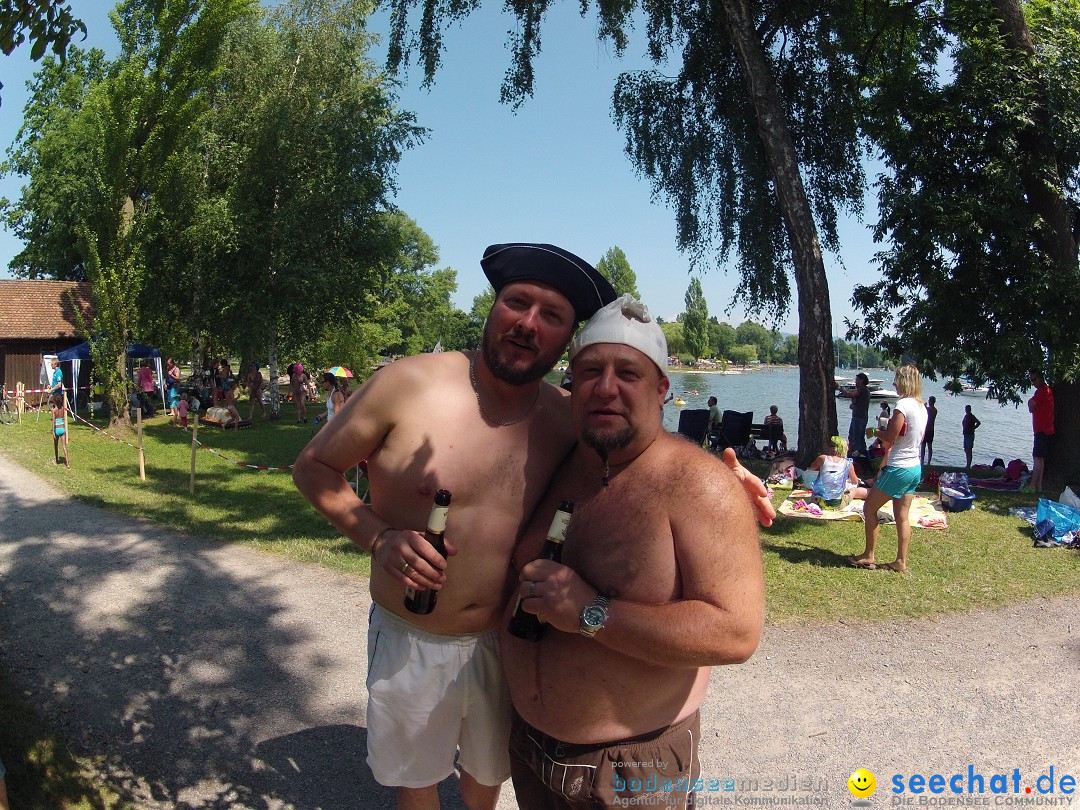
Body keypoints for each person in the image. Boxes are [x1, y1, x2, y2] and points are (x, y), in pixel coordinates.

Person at [292, 243, 775, 810]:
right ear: (493, 307)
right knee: (417, 782)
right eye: (516, 302)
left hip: (516, 657)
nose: (527, 324)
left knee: (483, 785)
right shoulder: (412, 385)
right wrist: (377, 535)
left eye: (552, 316)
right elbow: (313, 466)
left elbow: (649, 463)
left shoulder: (569, 422)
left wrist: (721, 487)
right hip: (419, 639)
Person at [503, 294, 764, 810]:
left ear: (663, 389)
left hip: (630, 769)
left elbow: (736, 632)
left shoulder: (695, 483)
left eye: (629, 373)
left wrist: (591, 614)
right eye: (591, 370)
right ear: (571, 384)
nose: (605, 388)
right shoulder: (556, 456)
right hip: (530, 749)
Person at [847, 364, 928, 574]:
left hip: (899, 467)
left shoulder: (903, 405)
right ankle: (900, 562)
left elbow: (891, 437)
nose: (893, 383)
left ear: (904, 382)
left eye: (896, 379)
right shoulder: (922, 407)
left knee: (869, 508)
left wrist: (874, 430)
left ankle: (868, 556)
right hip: (914, 467)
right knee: (902, 516)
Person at [807, 435, 868, 506]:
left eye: (829, 445)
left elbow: (810, 470)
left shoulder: (822, 458)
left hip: (817, 501)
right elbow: (855, 482)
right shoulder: (847, 463)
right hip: (835, 504)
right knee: (854, 491)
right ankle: (873, 495)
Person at [1027, 368, 1054, 493]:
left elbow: (1031, 405)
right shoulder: (1046, 391)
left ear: (1040, 378)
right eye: (1031, 380)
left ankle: (1032, 486)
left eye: (1034, 379)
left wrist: (1030, 404)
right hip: (1045, 430)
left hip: (1042, 430)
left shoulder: (1043, 391)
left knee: (1037, 458)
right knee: (1041, 459)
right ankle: (1039, 486)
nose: (1033, 382)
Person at [835, 372, 871, 456]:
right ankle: (857, 452)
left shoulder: (862, 389)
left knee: (857, 436)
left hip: (860, 416)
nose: (855, 381)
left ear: (862, 381)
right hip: (858, 416)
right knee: (854, 435)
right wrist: (853, 405)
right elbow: (856, 401)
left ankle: (858, 454)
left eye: (857, 380)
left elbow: (849, 394)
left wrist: (839, 388)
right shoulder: (863, 390)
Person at [51, 394, 70, 468]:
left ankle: (56, 460)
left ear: (55, 402)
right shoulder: (63, 409)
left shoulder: (54, 410)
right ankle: (67, 463)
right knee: (64, 446)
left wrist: (53, 431)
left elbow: (53, 422)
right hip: (62, 428)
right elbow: (64, 418)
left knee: (56, 445)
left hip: (57, 429)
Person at [961, 404, 981, 470]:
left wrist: (974, 428)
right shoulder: (966, 416)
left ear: (969, 410)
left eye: (967, 409)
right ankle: (967, 464)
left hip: (970, 435)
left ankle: (968, 465)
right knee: (966, 449)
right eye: (966, 409)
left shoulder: (972, 417)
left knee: (969, 450)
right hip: (966, 434)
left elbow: (978, 422)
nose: (966, 410)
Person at [920, 396, 937, 466]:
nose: (929, 401)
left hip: (929, 430)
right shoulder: (933, 409)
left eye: (929, 400)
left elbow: (925, 409)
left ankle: (927, 461)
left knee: (928, 446)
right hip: (928, 430)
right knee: (924, 446)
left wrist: (924, 405)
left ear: (932, 402)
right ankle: (923, 461)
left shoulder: (933, 410)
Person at [166, 358, 182, 423]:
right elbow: (166, 377)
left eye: (169, 364)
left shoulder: (176, 369)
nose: (168, 365)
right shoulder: (168, 369)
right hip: (169, 384)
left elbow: (178, 378)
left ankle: (177, 411)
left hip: (175, 385)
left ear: (172, 363)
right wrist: (165, 383)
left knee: (175, 398)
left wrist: (172, 375)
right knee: (170, 398)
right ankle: (172, 411)